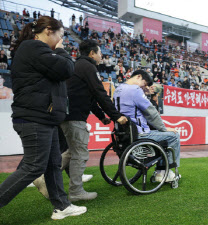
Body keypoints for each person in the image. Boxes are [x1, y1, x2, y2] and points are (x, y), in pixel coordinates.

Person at [0, 16, 87, 220]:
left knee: (52, 164)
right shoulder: (34, 48)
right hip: (34, 118)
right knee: (34, 166)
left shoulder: (35, 50)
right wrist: (60, 50)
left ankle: (62, 206)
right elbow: (66, 69)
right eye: (61, 35)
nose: (62, 40)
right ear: (49, 30)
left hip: (42, 118)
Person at [60, 39, 128, 202]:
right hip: (75, 116)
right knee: (80, 153)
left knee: (70, 152)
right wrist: (116, 116)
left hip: (67, 114)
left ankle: (43, 176)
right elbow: (99, 94)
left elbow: (90, 98)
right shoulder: (88, 67)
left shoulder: (78, 66)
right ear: (92, 53)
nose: (101, 56)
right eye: (99, 53)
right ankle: (76, 191)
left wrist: (101, 116)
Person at [113, 70, 180, 182]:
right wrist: (163, 128)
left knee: (162, 136)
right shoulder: (135, 89)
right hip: (139, 133)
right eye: (144, 84)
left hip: (124, 134)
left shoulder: (118, 89)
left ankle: (161, 171)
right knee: (173, 136)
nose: (144, 87)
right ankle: (163, 172)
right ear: (138, 76)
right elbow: (151, 112)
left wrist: (145, 94)